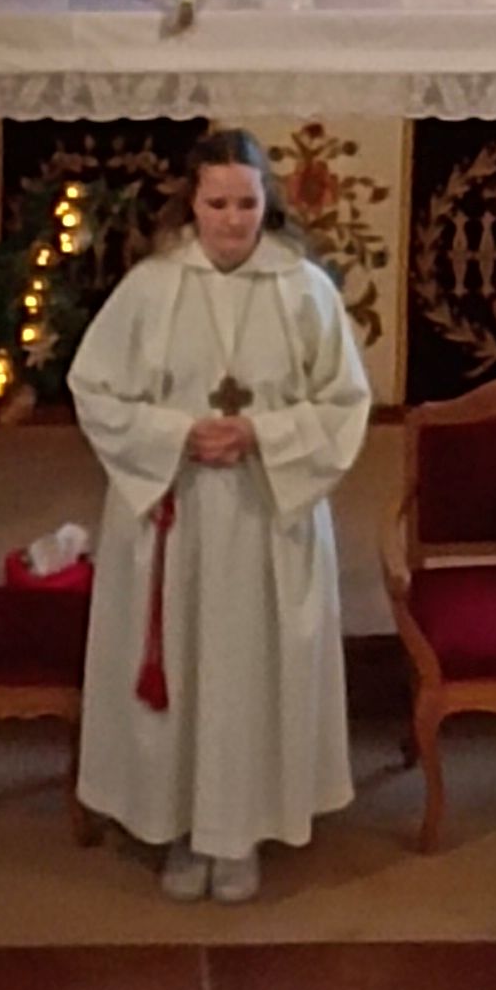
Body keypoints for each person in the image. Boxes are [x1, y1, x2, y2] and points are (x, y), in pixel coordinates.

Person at [70, 128, 370, 904]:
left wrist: (260, 433)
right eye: (217, 203)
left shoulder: (305, 290)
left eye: (246, 202)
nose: (233, 219)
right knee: (180, 669)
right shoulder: (150, 288)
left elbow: (345, 402)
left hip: (267, 513)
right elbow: (94, 389)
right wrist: (175, 433)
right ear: (191, 203)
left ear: (268, 202)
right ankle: (176, 826)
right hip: (174, 511)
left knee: (249, 675)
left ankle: (240, 835)